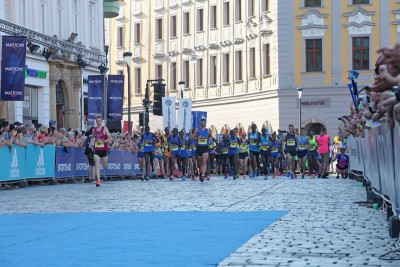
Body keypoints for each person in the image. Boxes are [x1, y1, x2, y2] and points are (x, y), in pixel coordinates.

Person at [91, 116, 112, 187]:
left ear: (102, 121)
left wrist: (103, 141)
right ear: (96, 121)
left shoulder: (104, 129)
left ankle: (100, 177)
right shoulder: (94, 130)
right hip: (97, 149)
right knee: (97, 163)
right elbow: (92, 137)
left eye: (100, 121)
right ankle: (98, 180)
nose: (98, 122)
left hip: (104, 149)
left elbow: (110, 138)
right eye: (97, 121)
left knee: (104, 165)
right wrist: (91, 144)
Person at [192, 116, 209, 182]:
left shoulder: (208, 130)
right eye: (202, 122)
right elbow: (193, 138)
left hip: (205, 147)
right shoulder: (197, 129)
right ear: (200, 123)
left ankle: (203, 175)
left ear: (205, 122)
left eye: (204, 122)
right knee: (199, 163)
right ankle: (201, 170)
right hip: (199, 147)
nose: (203, 123)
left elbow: (210, 138)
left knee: (204, 161)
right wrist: (198, 138)